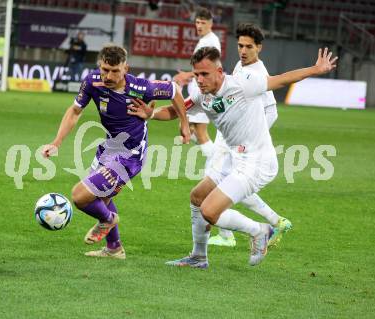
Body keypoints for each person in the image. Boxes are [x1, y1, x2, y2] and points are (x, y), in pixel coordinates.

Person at [128, 46, 337, 268]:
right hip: (234, 158)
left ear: (220, 72)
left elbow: (281, 80)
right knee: (197, 197)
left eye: (204, 74)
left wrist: (315, 69)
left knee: (209, 211)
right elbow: (177, 110)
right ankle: (199, 257)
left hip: (258, 162)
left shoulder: (243, 83)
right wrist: (151, 114)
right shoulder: (201, 93)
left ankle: (260, 231)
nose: (199, 79)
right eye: (196, 74)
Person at [42, 45, 190, 259]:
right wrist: (56, 142)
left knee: (81, 196)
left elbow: (175, 90)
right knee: (102, 199)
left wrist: (184, 123)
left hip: (130, 156)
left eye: (114, 71)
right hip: (108, 148)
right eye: (104, 69)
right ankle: (114, 248)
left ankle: (108, 221)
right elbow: (75, 111)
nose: (108, 76)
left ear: (125, 69)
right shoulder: (92, 82)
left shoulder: (141, 87)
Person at [208, 23, 292, 248]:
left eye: (249, 47)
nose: (243, 51)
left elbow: (271, 110)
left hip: (239, 142)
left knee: (220, 183)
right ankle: (275, 221)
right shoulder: (240, 65)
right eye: (240, 46)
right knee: (223, 184)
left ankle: (230, 236)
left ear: (259, 48)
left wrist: (249, 136)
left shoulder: (259, 74)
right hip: (229, 136)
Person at [173, 7, 220, 166]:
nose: (199, 26)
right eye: (197, 22)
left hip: (204, 92)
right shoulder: (204, 40)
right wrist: (189, 76)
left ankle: (217, 165)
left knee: (199, 132)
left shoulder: (211, 42)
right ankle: (215, 160)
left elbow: (209, 69)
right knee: (187, 126)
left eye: (203, 23)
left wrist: (188, 75)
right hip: (198, 90)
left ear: (210, 24)